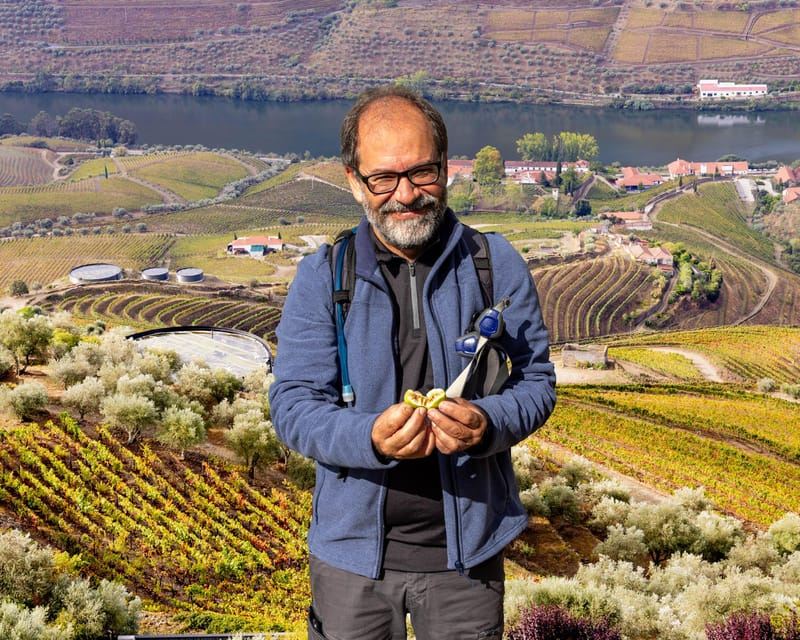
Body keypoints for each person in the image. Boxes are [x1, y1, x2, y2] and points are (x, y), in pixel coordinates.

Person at [269, 86, 556, 640]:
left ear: (446, 168)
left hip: (466, 561)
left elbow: (537, 382)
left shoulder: (495, 266)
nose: (406, 194)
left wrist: (487, 425)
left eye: (422, 172)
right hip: (351, 562)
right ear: (354, 181)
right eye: (384, 178)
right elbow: (294, 404)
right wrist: (369, 439)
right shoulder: (324, 277)